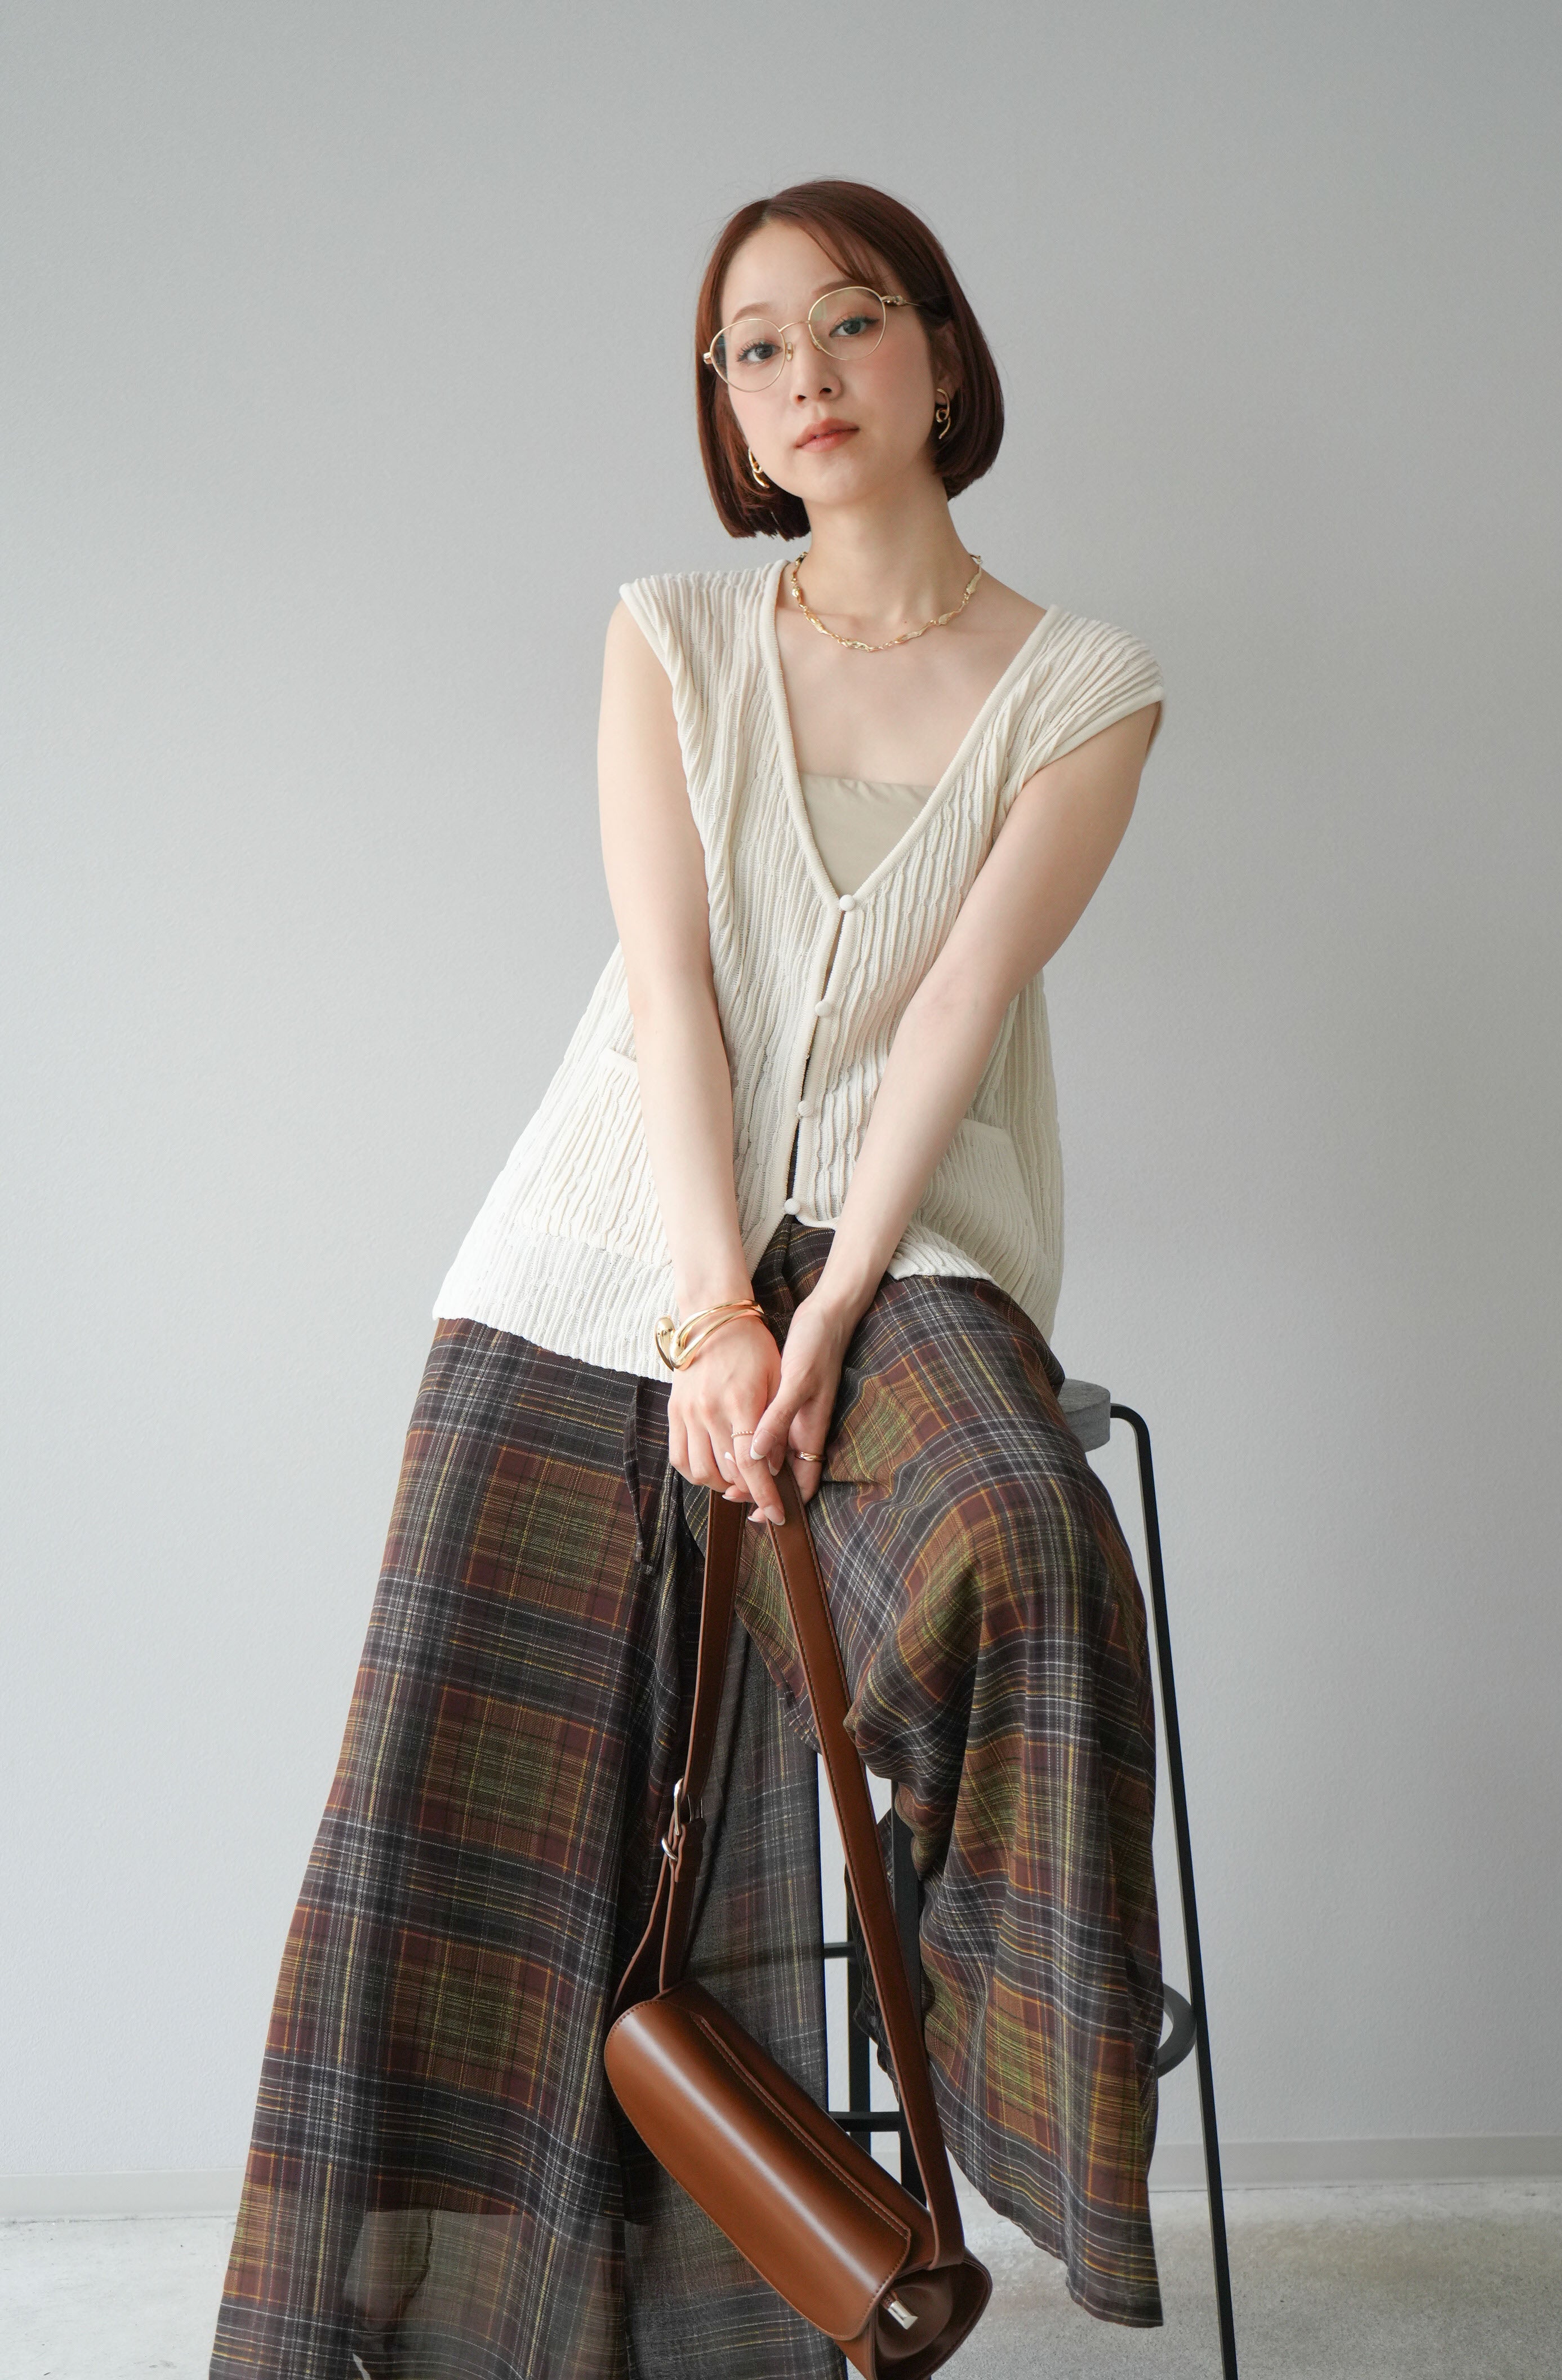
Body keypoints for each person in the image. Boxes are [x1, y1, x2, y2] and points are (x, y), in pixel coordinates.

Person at [211, 178, 1168, 2380]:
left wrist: (822, 1319)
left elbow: (956, 1010)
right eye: (756, 348)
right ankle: (418, 2330)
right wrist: (716, 1315)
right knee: (457, 1788)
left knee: (1020, 1542)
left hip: (906, 1240)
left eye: (854, 321)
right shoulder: (673, 634)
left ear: (942, 353)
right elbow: (671, 991)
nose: (807, 375)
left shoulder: (1082, 683)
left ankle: (1001, 2074)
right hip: (603, 1239)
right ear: (726, 409)